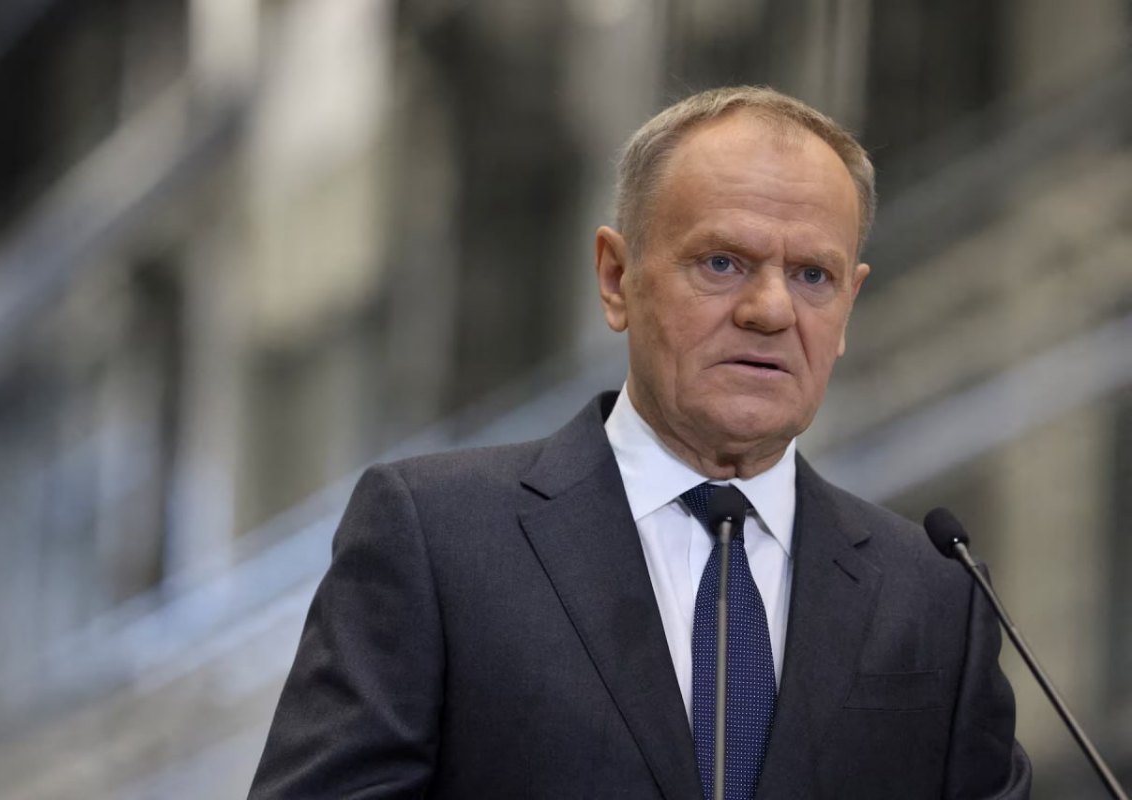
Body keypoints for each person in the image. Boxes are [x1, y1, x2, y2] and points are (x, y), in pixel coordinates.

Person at [248, 86, 1031, 799]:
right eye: (723, 263)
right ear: (616, 277)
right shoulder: (437, 538)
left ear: (849, 303)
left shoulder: (937, 594)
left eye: (812, 277)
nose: (770, 310)